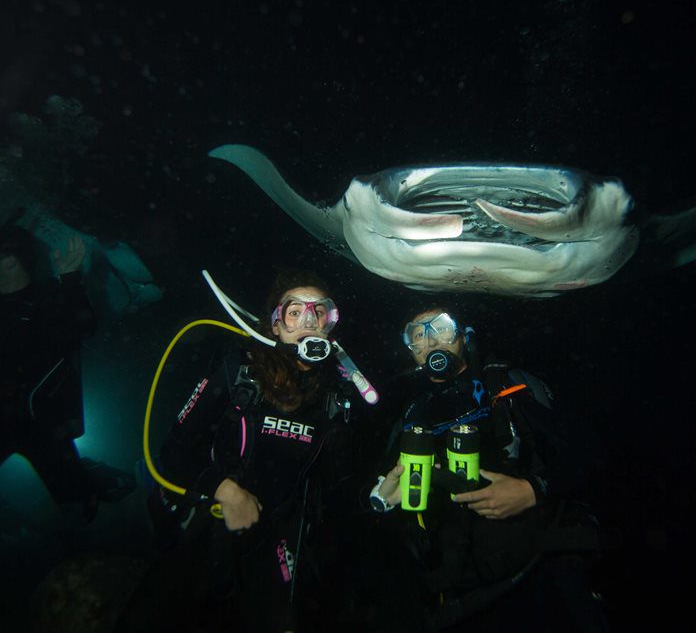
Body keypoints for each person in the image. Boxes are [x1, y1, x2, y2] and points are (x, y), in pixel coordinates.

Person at [119, 268, 359, 633]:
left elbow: (337, 482)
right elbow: (173, 453)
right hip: (211, 524)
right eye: (295, 312)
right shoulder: (239, 372)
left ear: (330, 323)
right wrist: (224, 488)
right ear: (275, 326)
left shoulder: (336, 396)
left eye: (319, 312)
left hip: (279, 533)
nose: (308, 321)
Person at [366, 305, 612, 633]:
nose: (430, 341)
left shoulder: (508, 385)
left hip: (542, 569)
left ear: (464, 335)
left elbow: (590, 452)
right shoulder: (413, 416)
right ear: (410, 351)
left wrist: (533, 489)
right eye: (417, 334)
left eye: (441, 327)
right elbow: (372, 497)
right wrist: (383, 500)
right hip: (461, 591)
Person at [0, 222, 134, 526]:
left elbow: (82, 327)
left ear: (9, 261)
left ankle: (94, 496)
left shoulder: (46, 301)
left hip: (42, 423)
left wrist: (70, 279)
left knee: (79, 509)